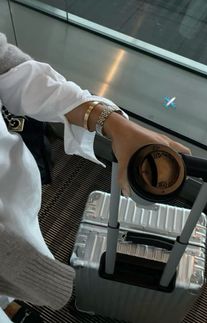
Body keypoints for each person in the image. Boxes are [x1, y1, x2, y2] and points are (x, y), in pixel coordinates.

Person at [0, 32, 190, 322]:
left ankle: (7, 301)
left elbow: (7, 66)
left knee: (23, 231)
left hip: (12, 187)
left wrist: (109, 121)